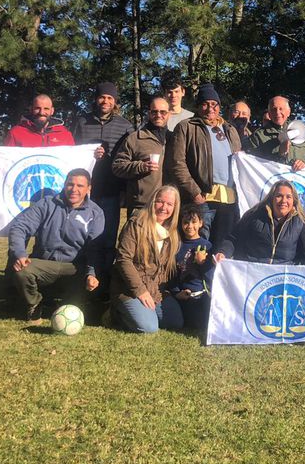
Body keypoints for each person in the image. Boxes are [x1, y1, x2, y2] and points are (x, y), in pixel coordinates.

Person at [7, 169, 104, 323]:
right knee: (23, 271)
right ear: (64, 184)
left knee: (75, 303)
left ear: (89, 188)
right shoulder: (46, 204)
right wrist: (20, 253)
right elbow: (20, 227)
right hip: (44, 264)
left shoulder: (96, 213)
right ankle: (34, 303)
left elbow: (96, 247)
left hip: (74, 268)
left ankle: (65, 301)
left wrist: (91, 273)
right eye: (70, 184)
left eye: (80, 185)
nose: (74, 189)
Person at [71, 82, 134, 289]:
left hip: (111, 191)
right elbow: (72, 151)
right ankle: (77, 280)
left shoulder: (125, 125)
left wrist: (124, 190)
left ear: (115, 101)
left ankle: (104, 283)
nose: (105, 101)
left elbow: (128, 158)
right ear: (96, 99)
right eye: (102, 97)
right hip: (83, 192)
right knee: (79, 236)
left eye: (110, 98)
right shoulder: (82, 122)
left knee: (106, 238)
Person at [165, 83, 241, 246]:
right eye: (205, 104)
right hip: (202, 197)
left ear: (219, 106)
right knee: (199, 246)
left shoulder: (229, 129)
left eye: (214, 104)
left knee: (223, 247)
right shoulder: (186, 127)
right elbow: (177, 163)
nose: (210, 108)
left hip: (228, 199)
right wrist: (195, 193)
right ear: (198, 107)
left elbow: (241, 163)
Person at [110, 185, 187, 333]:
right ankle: (115, 313)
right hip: (129, 289)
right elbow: (123, 259)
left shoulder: (172, 234)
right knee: (149, 328)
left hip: (155, 291)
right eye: (160, 201)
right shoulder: (136, 224)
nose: (164, 207)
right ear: (153, 201)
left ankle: (143, 312)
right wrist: (140, 291)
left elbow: (165, 270)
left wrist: (173, 291)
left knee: (175, 322)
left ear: (175, 208)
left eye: (170, 204)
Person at [218, 181, 305, 265]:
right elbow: (233, 238)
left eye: (288, 197)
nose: (283, 201)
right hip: (252, 276)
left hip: (283, 280)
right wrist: (223, 253)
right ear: (272, 198)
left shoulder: (300, 223)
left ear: (294, 201)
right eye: (279, 196)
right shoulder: (254, 216)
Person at [112, 96, 169, 215]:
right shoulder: (135, 138)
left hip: (168, 207)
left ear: (169, 114)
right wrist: (141, 166)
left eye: (163, 112)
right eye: (154, 111)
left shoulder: (175, 138)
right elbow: (117, 167)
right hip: (141, 207)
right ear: (149, 113)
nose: (158, 115)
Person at [172, 204, 217, 330]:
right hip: (181, 295)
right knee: (181, 322)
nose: (190, 226)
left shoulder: (207, 246)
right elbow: (172, 273)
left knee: (200, 324)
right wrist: (176, 293)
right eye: (186, 222)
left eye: (194, 222)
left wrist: (203, 263)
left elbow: (211, 277)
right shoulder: (177, 245)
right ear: (181, 224)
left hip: (200, 296)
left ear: (201, 223)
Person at [247, 95, 305, 169]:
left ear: (288, 112)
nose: (277, 112)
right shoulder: (258, 136)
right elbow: (252, 165)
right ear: (269, 114)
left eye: (281, 109)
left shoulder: (301, 131)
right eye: (274, 109)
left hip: (298, 179)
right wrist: (280, 155)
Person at [5, 94, 75, 147]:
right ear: (31, 109)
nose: (41, 112)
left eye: (46, 108)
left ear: (52, 111)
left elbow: (71, 162)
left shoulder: (65, 134)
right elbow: (7, 162)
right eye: (37, 108)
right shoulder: (16, 132)